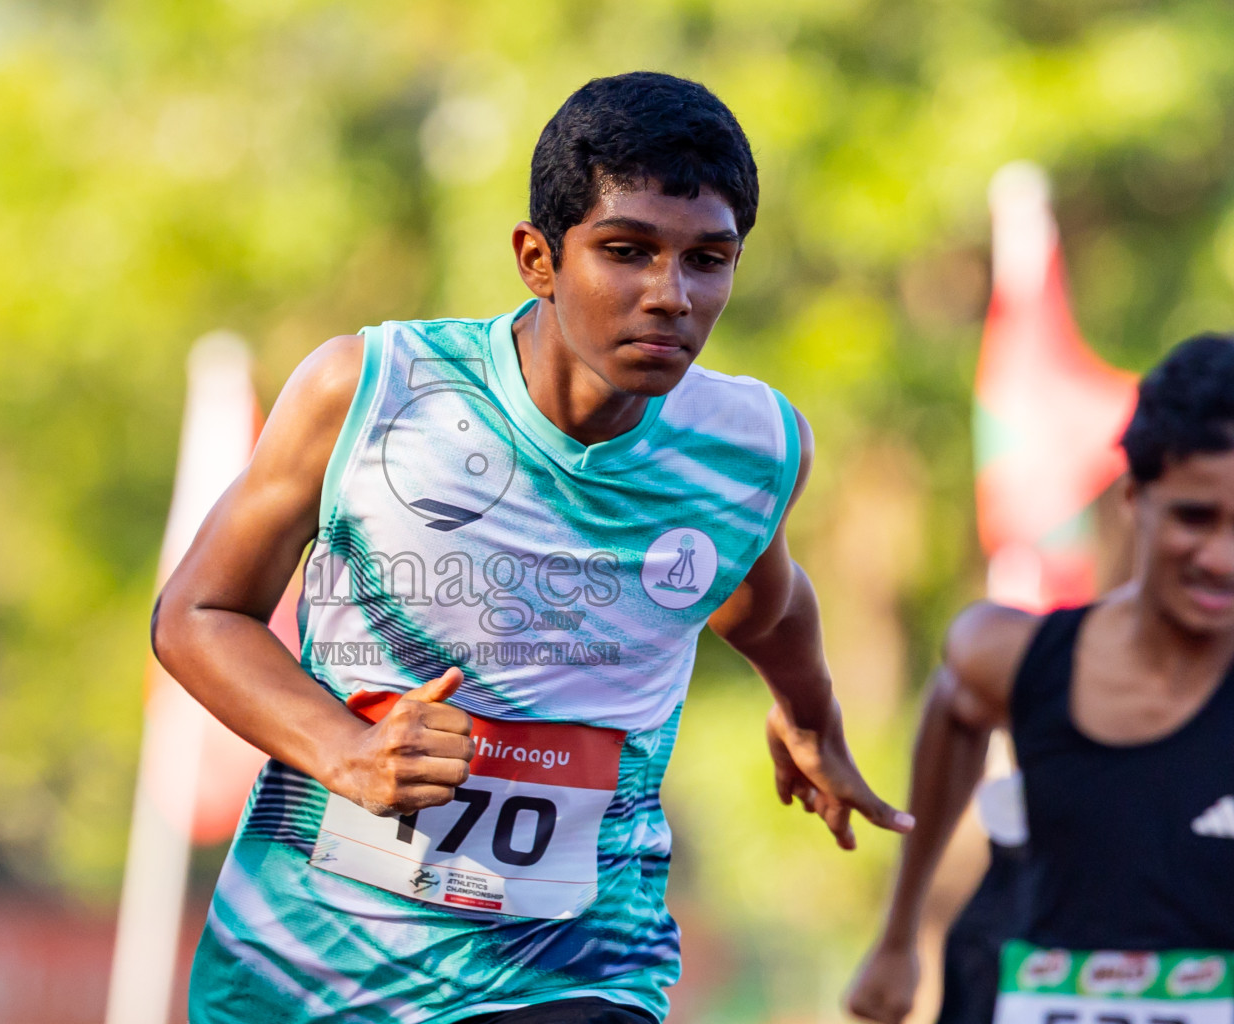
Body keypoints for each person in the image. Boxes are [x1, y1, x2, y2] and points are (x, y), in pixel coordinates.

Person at [153, 71, 911, 1024]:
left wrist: (811, 716)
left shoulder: (750, 447)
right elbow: (198, 614)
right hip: (311, 972)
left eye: (708, 260)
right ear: (538, 258)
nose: (671, 296)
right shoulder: (373, 391)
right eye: (626, 251)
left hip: (576, 966)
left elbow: (767, 602)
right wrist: (348, 753)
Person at [846, 334, 1234, 1024]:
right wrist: (898, 935)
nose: (1222, 558)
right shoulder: (1015, 658)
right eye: (1194, 517)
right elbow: (957, 702)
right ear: (1134, 496)